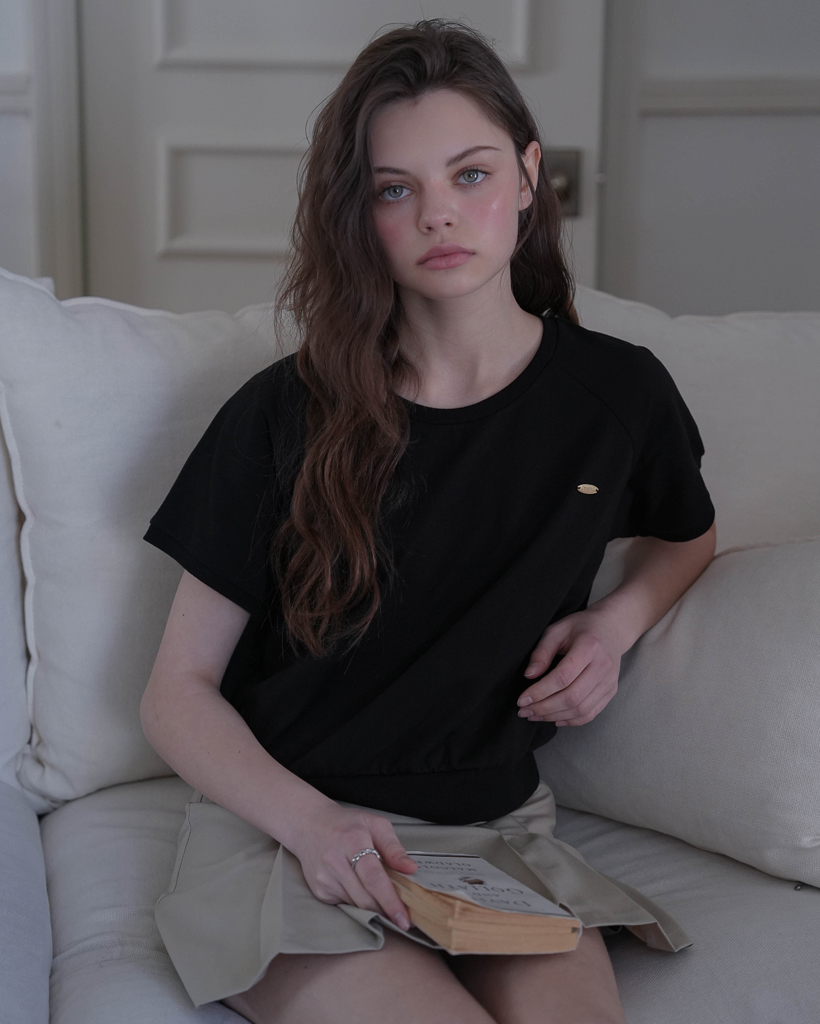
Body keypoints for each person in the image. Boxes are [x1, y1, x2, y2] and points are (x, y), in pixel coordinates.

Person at [140, 19, 716, 1024]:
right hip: (290, 829)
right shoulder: (284, 414)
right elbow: (174, 694)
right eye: (393, 189)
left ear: (528, 176)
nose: (438, 213)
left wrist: (614, 625)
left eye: (470, 174)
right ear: (357, 215)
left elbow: (686, 533)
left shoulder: (618, 397)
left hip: (496, 833)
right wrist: (312, 824)